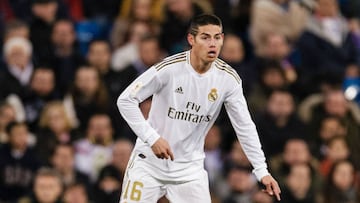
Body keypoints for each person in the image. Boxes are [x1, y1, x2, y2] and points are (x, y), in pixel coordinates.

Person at [116, 14, 281, 202]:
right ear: (191, 39)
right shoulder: (169, 69)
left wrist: (261, 170)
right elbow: (126, 100)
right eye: (205, 37)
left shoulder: (228, 79)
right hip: (148, 165)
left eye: (217, 37)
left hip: (189, 171)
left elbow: (244, 126)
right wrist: (152, 138)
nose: (212, 43)